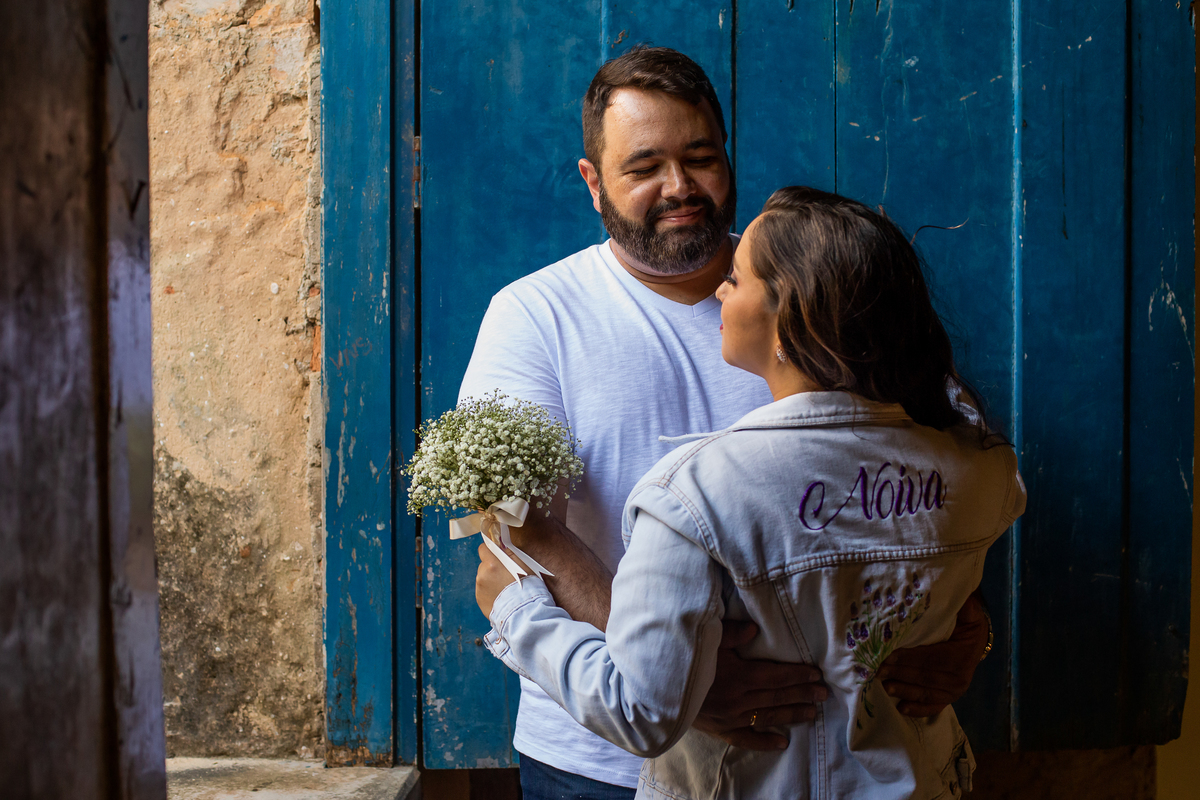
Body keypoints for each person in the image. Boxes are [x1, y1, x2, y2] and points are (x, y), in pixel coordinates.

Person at [458, 46, 992, 799]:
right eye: (644, 167)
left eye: (700, 157)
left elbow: (939, 467)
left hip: (829, 754)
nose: (679, 188)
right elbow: (513, 531)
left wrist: (962, 628)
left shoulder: (817, 287)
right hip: (599, 761)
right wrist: (679, 688)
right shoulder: (534, 316)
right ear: (594, 183)